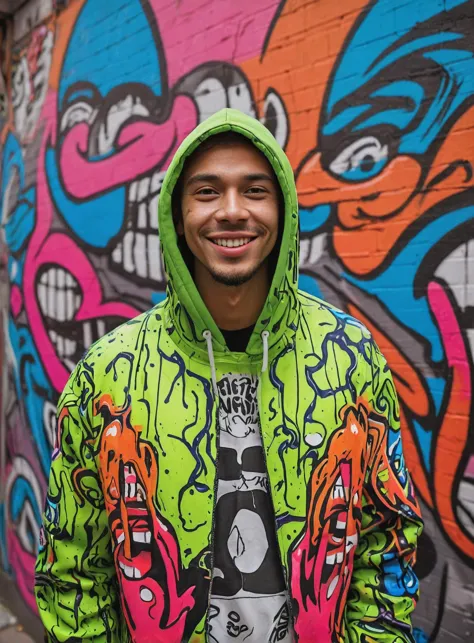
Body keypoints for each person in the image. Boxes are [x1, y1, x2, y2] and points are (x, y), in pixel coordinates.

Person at [35, 108, 423, 643]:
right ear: (176, 215)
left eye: (255, 190)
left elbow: (387, 542)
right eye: (208, 191)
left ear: (283, 211)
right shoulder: (108, 376)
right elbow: (74, 570)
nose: (233, 211)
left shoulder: (350, 357)